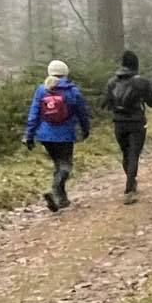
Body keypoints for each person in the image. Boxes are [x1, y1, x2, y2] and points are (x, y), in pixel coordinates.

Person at [24, 60, 92, 213]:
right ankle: (56, 191)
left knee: (58, 164)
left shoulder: (41, 90)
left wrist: (28, 135)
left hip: (45, 136)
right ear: (65, 72)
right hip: (65, 135)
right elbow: (82, 113)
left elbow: (33, 114)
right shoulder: (71, 90)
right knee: (65, 166)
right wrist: (85, 129)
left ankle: (61, 199)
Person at [103, 50, 152, 204]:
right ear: (136, 64)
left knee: (126, 153)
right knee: (134, 154)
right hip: (136, 122)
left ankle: (131, 182)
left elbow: (106, 104)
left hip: (118, 123)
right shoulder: (141, 82)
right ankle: (129, 189)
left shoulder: (111, 82)